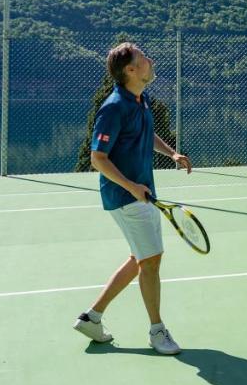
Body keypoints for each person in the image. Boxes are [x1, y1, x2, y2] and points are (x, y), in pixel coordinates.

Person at [73, 42, 193, 353]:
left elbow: (145, 132)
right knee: (151, 261)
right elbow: (98, 157)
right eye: (144, 58)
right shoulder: (114, 107)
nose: (151, 61)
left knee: (140, 258)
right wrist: (130, 186)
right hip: (126, 196)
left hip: (142, 193)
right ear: (131, 70)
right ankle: (157, 331)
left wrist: (172, 152)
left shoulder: (141, 100)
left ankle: (92, 317)